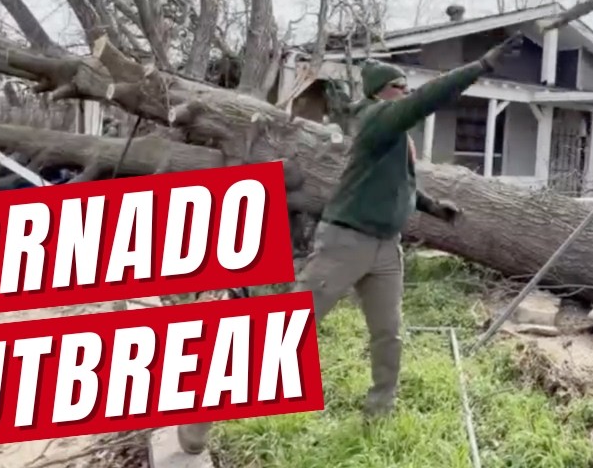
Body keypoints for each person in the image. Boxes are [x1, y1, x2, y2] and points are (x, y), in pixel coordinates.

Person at [177, 33, 522, 453]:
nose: (406, 94)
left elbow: (399, 185)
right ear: (381, 92)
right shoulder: (377, 118)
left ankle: (380, 412)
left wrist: (433, 207)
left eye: (406, 89)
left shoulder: (398, 139)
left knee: (388, 334)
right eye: (400, 88)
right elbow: (427, 100)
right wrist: (481, 66)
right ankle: (200, 416)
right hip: (345, 243)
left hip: (385, 249)